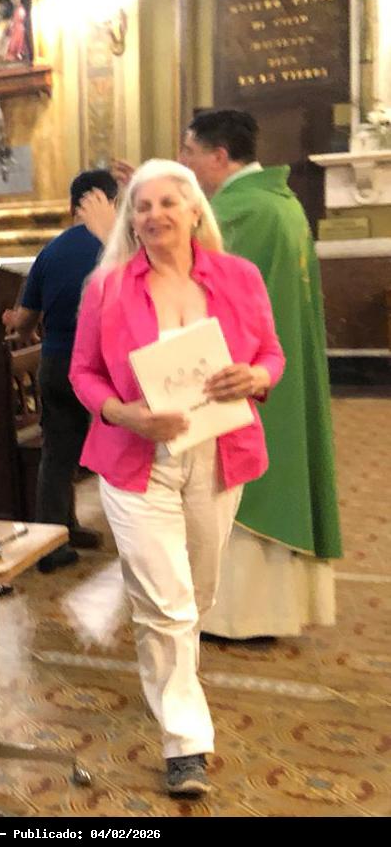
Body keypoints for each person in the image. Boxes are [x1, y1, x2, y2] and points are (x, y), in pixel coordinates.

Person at [69, 159, 284, 796]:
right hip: (136, 461)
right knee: (165, 604)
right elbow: (83, 372)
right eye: (142, 206)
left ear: (194, 211)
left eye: (168, 203)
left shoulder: (239, 277)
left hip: (218, 452)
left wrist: (257, 377)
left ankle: (173, 684)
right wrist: (124, 413)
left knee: (196, 595)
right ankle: (185, 743)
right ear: (131, 221)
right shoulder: (107, 287)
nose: (154, 215)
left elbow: (270, 353)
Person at [179, 109, 342, 639]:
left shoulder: (238, 212)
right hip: (276, 372)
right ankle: (268, 610)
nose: (184, 162)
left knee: (245, 487)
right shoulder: (281, 202)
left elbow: (183, 279)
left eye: (189, 152)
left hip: (245, 379)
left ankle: (238, 617)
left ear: (219, 156)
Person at [2, 170, 117, 573]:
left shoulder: (50, 252)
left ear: (71, 207)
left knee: (57, 454)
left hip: (57, 364)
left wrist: (16, 320)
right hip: (105, 367)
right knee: (121, 450)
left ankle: (56, 538)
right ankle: (121, 537)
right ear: (113, 204)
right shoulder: (118, 248)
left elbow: (25, 323)